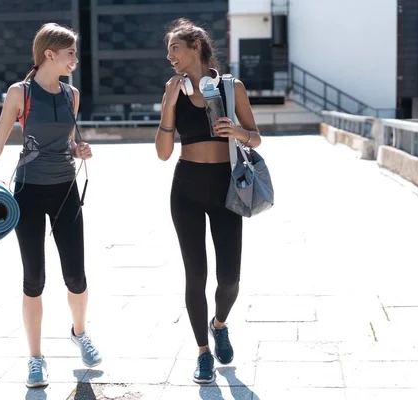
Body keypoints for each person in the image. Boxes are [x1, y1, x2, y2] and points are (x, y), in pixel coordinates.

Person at [0, 22, 101, 388]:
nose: (75, 59)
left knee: (76, 275)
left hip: (66, 190)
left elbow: (68, 143)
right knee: (34, 277)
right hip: (28, 190)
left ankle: (80, 332)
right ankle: (35, 359)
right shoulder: (19, 93)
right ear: (49, 54)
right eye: (70, 53)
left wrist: (79, 150)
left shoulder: (72, 95)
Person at [155, 18, 261, 384]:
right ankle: (202, 352)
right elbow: (163, 153)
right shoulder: (173, 90)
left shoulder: (232, 88)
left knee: (229, 277)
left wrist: (238, 132)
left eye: (175, 48)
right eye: (168, 50)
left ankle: (220, 324)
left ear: (195, 46)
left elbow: (257, 138)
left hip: (225, 187)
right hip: (185, 188)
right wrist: (169, 105)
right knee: (195, 273)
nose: (170, 56)